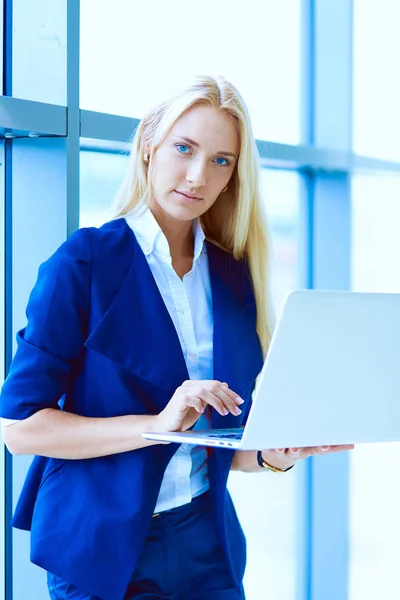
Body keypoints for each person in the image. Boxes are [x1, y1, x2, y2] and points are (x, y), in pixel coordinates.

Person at [0, 75, 353, 600]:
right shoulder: (86, 261)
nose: (197, 176)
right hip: (105, 547)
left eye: (221, 160)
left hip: (206, 543)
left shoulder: (234, 275)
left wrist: (278, 452)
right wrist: (157, 426)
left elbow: (224, 445)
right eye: (183, 148)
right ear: (149, 144)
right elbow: (20, 429)